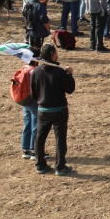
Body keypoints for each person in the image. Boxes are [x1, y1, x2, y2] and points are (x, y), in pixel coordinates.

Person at [31, 43, 75, 175]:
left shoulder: (36, 71)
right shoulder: (60, 72)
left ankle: (40, 165)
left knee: (40, 137)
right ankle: (60, 166)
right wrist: (69, 75)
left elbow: (33, 94)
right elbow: (70, 89)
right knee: (60, 138)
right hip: (59, 109)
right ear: (53, 55)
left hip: (43, 109)